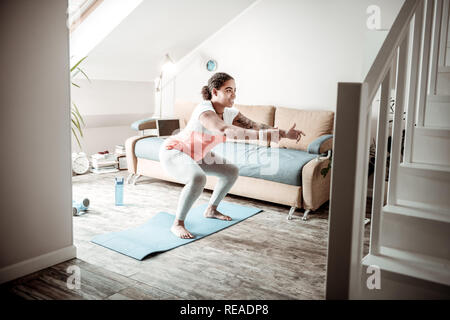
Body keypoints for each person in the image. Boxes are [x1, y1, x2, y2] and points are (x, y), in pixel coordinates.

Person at [159, 72, 305, 239]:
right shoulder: (204, 110)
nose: (234, 95)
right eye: (228, 90)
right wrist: (265, 137)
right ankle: (177, 224)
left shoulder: (230, 113)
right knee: (198, 178)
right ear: (214, 92)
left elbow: (255, 125)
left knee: (231, 171)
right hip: (175, 151)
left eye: (235, 90)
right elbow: (224, 130)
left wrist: (284, 133)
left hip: (198, 154)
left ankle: (211, 209)